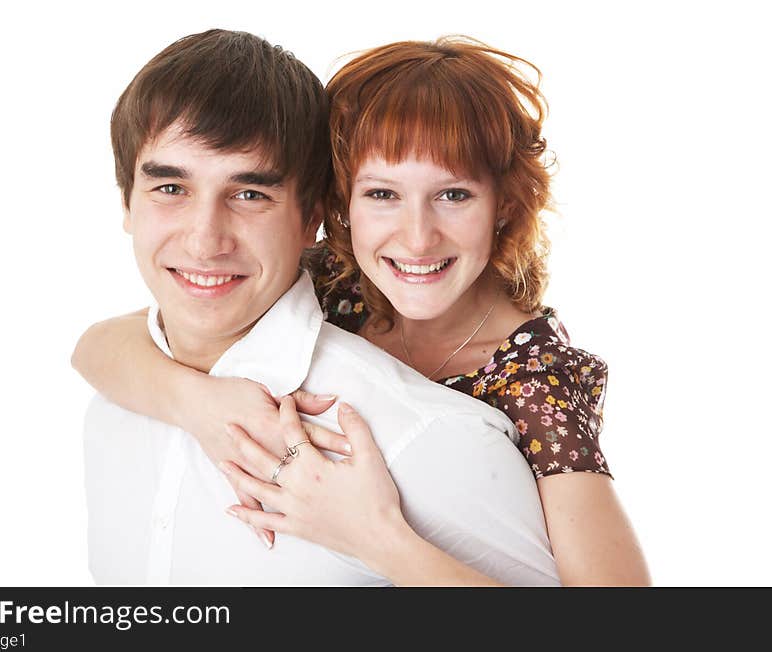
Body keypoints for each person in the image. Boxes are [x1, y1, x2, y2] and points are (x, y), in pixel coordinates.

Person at [75, 35, 649, 585]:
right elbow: (100, 344)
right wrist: (199, 402)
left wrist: (374, 538)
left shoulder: (531, 381)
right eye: (382, 194)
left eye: (454, 194)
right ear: (339, 208)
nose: (417, 238)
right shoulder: (335, 280)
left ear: (504, 206)